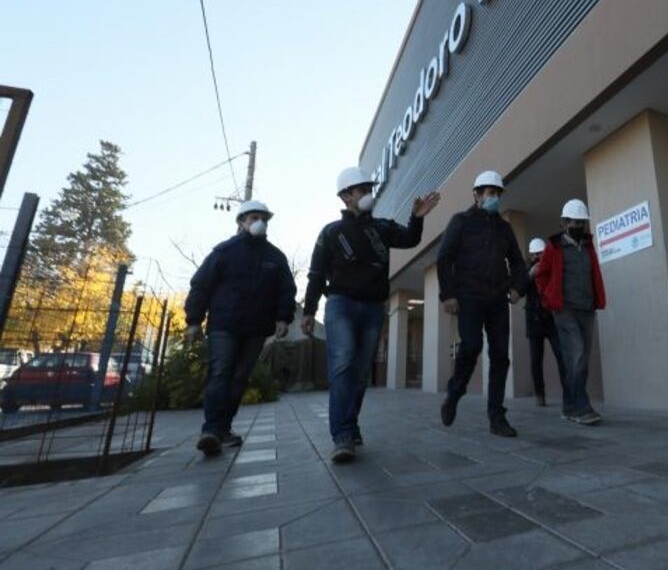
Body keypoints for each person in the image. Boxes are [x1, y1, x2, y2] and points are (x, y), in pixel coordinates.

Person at [302, 167, 439, 463]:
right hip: (340, 304)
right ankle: (341, 436)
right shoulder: (331, 232)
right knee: (343, 364)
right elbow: (315, 274)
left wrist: (417, 217)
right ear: (345, 196)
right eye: (361, 189)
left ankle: (350, 426)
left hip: (374, 307)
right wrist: (309, 310)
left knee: (362, 371)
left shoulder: (382, 227)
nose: (367, 194)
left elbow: (410, 240)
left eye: (368, 188)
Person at [185, 200, 297, 456]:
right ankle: (211, 430)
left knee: (239, 378)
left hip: (256, 328)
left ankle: (222, 430)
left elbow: (286, 290)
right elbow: (201, 285)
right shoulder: (223, 252)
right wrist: (193, 320)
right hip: (224, 325)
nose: (259, 222)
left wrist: (283, 318)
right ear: (241, 221)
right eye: (254, 217)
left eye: (263, 218)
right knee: (221, 372)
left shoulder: (275, 257)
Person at [438, 170, 528, 437]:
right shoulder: (461, 222)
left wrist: (517, 287)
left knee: (500, 356)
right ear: (476, 195)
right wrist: (449, 294)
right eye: (489, 193)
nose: (494, 198)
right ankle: (455, 393)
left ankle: (496, 417)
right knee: (472, 346)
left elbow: (519, 264)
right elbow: (444, 259)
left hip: (498, 299)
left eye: (497, 194)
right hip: (469, 297)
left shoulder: (504, 228)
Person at [535, 199, 606, 426]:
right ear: (564, 223)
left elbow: (593, 274)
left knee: (581, 359)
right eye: (575, 222)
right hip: (564, 310)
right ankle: (582, 407)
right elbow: (541, 275)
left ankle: (568, 406)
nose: (579, 226)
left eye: (582, 222)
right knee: (575, 355)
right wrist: (548, 297)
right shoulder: (553, 248)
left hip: (587, 308)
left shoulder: (588, 246)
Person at [526, 237, 569, 410]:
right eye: (535, 254)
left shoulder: (551, 267)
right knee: (536, 360)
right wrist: (530, 275)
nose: (538, 257)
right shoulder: (526, 270)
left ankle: (569, 393)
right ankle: (539, 395)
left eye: (541, 254)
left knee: (561, 355)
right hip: (534, 319)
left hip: (551, 318)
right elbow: (520, 288)